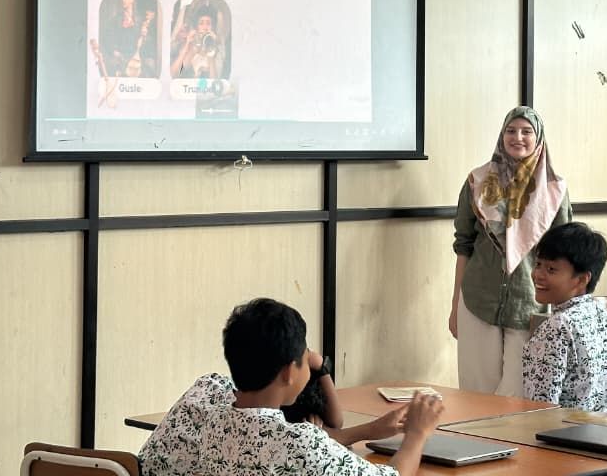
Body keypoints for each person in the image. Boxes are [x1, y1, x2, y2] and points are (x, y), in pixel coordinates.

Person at [139, 297, 444, 476]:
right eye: (303, 358)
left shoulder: (211, 421)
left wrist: (369, 430)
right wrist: (417, 434)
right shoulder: (300, 444)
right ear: (288, 372)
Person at [450, 106, 570, 396]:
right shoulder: (477, 182)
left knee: (520, 394)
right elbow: (463, 246)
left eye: (527, 131)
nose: (518, 137)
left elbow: (566, 255)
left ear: (538, 138)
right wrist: (455, 306)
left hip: (529, 304)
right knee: (476, 394)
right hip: (478, 300)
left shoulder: (554, 191)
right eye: (511, 130)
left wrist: (563, 312)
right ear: (501, 135)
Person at [521, 222, 607, 413]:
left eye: (551, 269)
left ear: (581, 280)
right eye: (538, 264)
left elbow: (540, 409)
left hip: (568, 431)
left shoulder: (557, 327)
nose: (538, 275)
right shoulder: (605, 315)